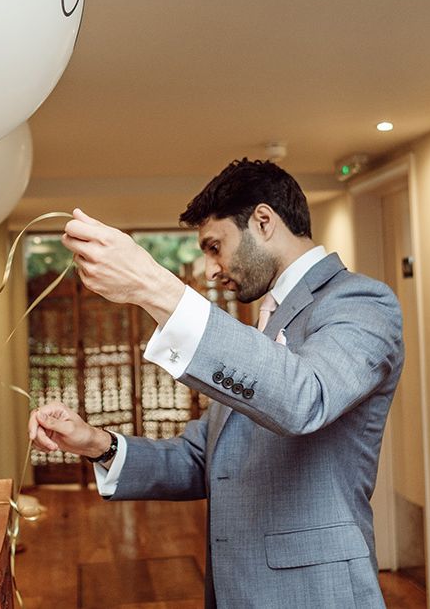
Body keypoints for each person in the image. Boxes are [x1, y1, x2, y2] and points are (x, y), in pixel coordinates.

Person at [28, 158, 404, 608]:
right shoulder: (262, 326)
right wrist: (95, 442)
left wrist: (155, 286)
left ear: (263, 222)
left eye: (214, 246)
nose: (210, 270)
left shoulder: (361, 301)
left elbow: (307, 397)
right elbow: (202, 458)